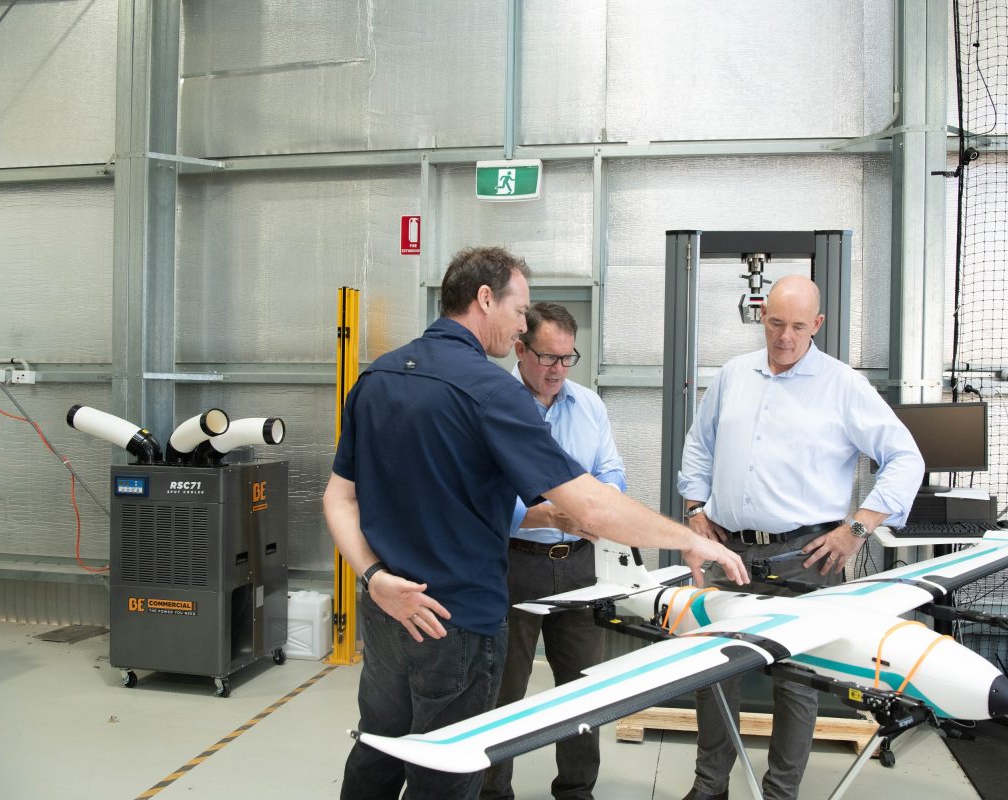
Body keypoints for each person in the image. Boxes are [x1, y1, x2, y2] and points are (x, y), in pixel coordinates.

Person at [324, 246, 749, 800]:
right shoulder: (492, 392)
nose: (522, 324)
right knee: (447, 772)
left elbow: (339, 498)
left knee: (377, 750)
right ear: (484, 299)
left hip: (387, 613)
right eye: (519, 309)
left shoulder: (376, 376)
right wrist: (689, 538)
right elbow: (591, 506)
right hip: (457, 623)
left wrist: (374, 576)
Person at [676, 275, 924, 800]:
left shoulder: (843, 385)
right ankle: (709, 787)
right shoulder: (733, 375)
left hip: (803, 555)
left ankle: (780, 794)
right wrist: (696, 509)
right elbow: (699, 445)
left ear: (818, 324)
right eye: (774, 324)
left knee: (796, 683)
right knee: (712, 671)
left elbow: (907, 458)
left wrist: (859, 527)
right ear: (760, 317)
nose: (784, 337)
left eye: (796, 326)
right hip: (729, 548)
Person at [479, 303, 622, 800]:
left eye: (568, 358)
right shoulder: (492, 405)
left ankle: (577, 790)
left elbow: (611, 471)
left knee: (584, 686)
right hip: (514, 562)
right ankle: (493, 792)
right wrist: (537, 515)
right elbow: (478, 490)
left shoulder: (589, 406)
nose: (558, 369)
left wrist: (601, 505)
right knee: (504, 688)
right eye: (547, 357)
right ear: (519, 349)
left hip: (579, 566)